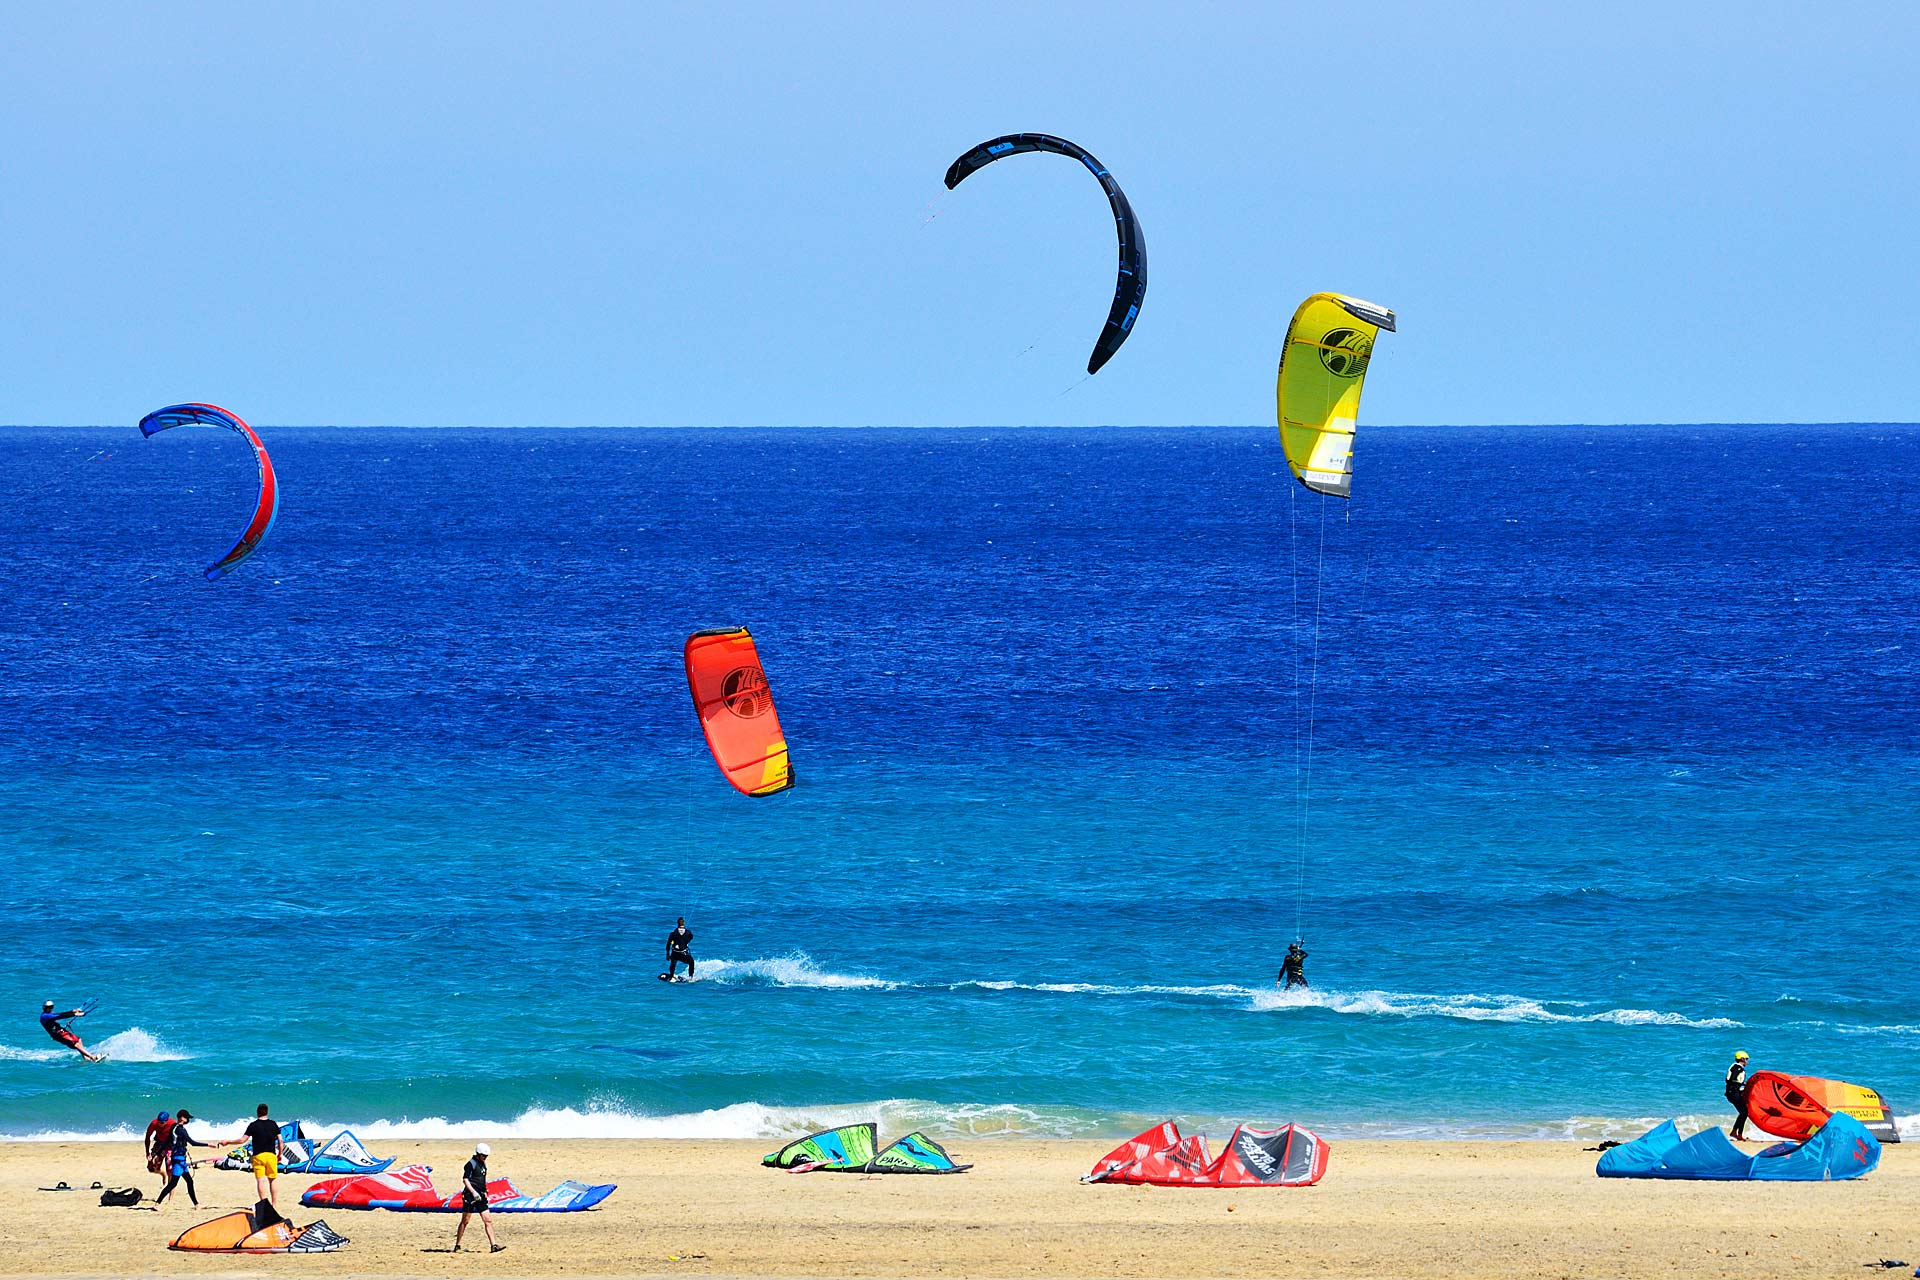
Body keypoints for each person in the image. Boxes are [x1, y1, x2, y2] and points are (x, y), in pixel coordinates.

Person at [154, 1108, 213, 1208]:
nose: (188, 1120)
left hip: (181, 1161)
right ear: (182, 1118)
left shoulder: (173, 1127)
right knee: (172, 1184)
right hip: (178, 1160)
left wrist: (157, 1153)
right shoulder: (181, 1130)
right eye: (187, 1118)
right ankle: (157, 1203)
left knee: (189, 1181)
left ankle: (197, 1205)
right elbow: (192, 1143)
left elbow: (166, 1142)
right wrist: (208, 1145)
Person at [454, 1142, 504, 1253]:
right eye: (483, 1156)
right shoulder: (470, 1164)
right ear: (478, 1154)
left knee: (488, 1220)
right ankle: (458, 1245)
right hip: (469, 1196)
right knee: (465, 1221)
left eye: (486, 1156)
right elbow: (465, 1179)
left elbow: (481, 1179)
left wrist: (484, 1190)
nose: (485, 1158)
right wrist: (473, 1192)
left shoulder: (483, 1164)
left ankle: (493, 1245)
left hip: (481, 1195)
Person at [244, 1102, 284, 1205]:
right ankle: (274, 1204)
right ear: (267, 1112)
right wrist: (280, 1154)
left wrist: (228, 1142)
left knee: (260, 1181)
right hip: (271, 1155)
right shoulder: (273, 1124)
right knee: (272, 1180)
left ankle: (264, 1204)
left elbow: (242, 1139)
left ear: (257, 1113)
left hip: (258, 1156)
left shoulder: (253, 1125)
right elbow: (280, 1141)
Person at [39, 1000, 104, 1062]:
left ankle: (86, 1059)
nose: (51, 1009)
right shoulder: (44, 1016)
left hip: (62, 1032)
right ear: (45, 1008)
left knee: (79, 1040)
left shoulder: (47, 1014)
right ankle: (93, 1057)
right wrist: (75, 1014)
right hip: (59, 1035)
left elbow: (60, 1014)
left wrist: (73, 1011)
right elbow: (60, 1016)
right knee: (76, 1044)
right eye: (49, 1007)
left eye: (52, 1007)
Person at [1725, 1050, 1751, 1140]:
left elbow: (1731, 1080)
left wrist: (1743, 1084)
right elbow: (1733, 1079)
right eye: (1746, 1059)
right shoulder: (1738, 1068)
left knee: (1743, 1112)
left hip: (1731, 1093)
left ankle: (1735, 1132)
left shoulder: (1734, 1067)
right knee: (1744, 1112)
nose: (1747, 1061)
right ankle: (1738, 1134)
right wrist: (1739, 1085)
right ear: (1742, 1059)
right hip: (1733, 1093)